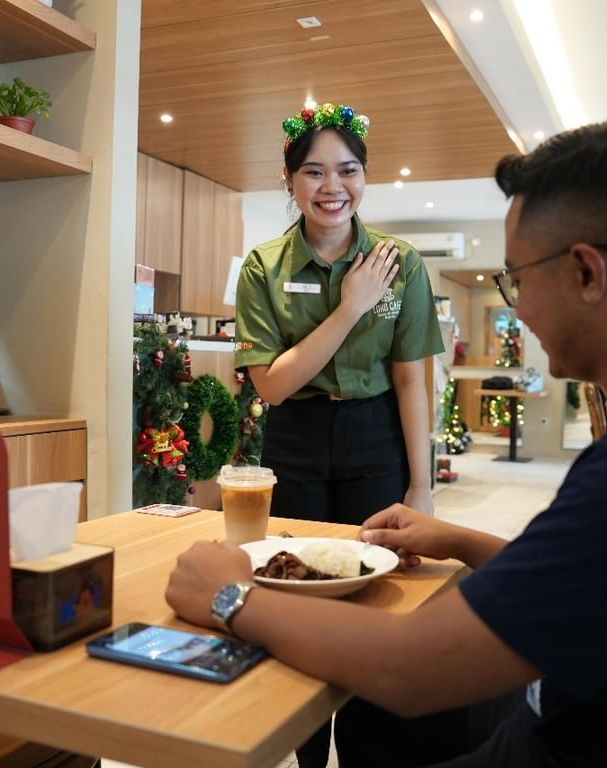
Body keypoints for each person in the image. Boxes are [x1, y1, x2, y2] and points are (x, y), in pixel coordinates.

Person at [167, 117, 607, 767]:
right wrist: (458, 539)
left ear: (586, 273)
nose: (519, 308)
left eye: (517, 279)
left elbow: (411, 670)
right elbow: (589, 571)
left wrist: (233, 597)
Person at [231, 101, 445, 766]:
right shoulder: (263, 267)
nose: (333, 187)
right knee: (292, 590)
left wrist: (421, 485)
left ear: (365, 175)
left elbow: (411, 379)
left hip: (376, 436)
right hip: (295, 437)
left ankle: (367, 752)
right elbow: (272, 386)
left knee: (373, 591)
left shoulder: (400, 263)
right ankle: (305, 751)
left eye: (348, 170)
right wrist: (351, 307)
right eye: (315, 172)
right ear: (290, 180)